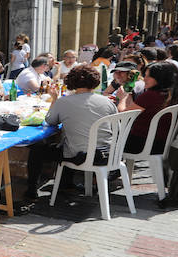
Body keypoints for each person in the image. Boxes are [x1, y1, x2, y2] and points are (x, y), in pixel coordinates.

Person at [24, 65, 117, 200]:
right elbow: (115, 127)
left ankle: (31, 190)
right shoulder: (107, 102)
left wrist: (55, 99)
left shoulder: (64, 102)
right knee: (71, 141)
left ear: (71, 82)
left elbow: (50, 121)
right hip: (108, 153)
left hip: (80, 155)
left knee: (38, 149)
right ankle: (66, 183)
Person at [116, 61, 178, 154]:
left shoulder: (150, 96)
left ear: (160, 78)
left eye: (148, 76)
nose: (144, 79)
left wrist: (122, 98)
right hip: (167, 142)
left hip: (143, 144)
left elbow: (123, 116)